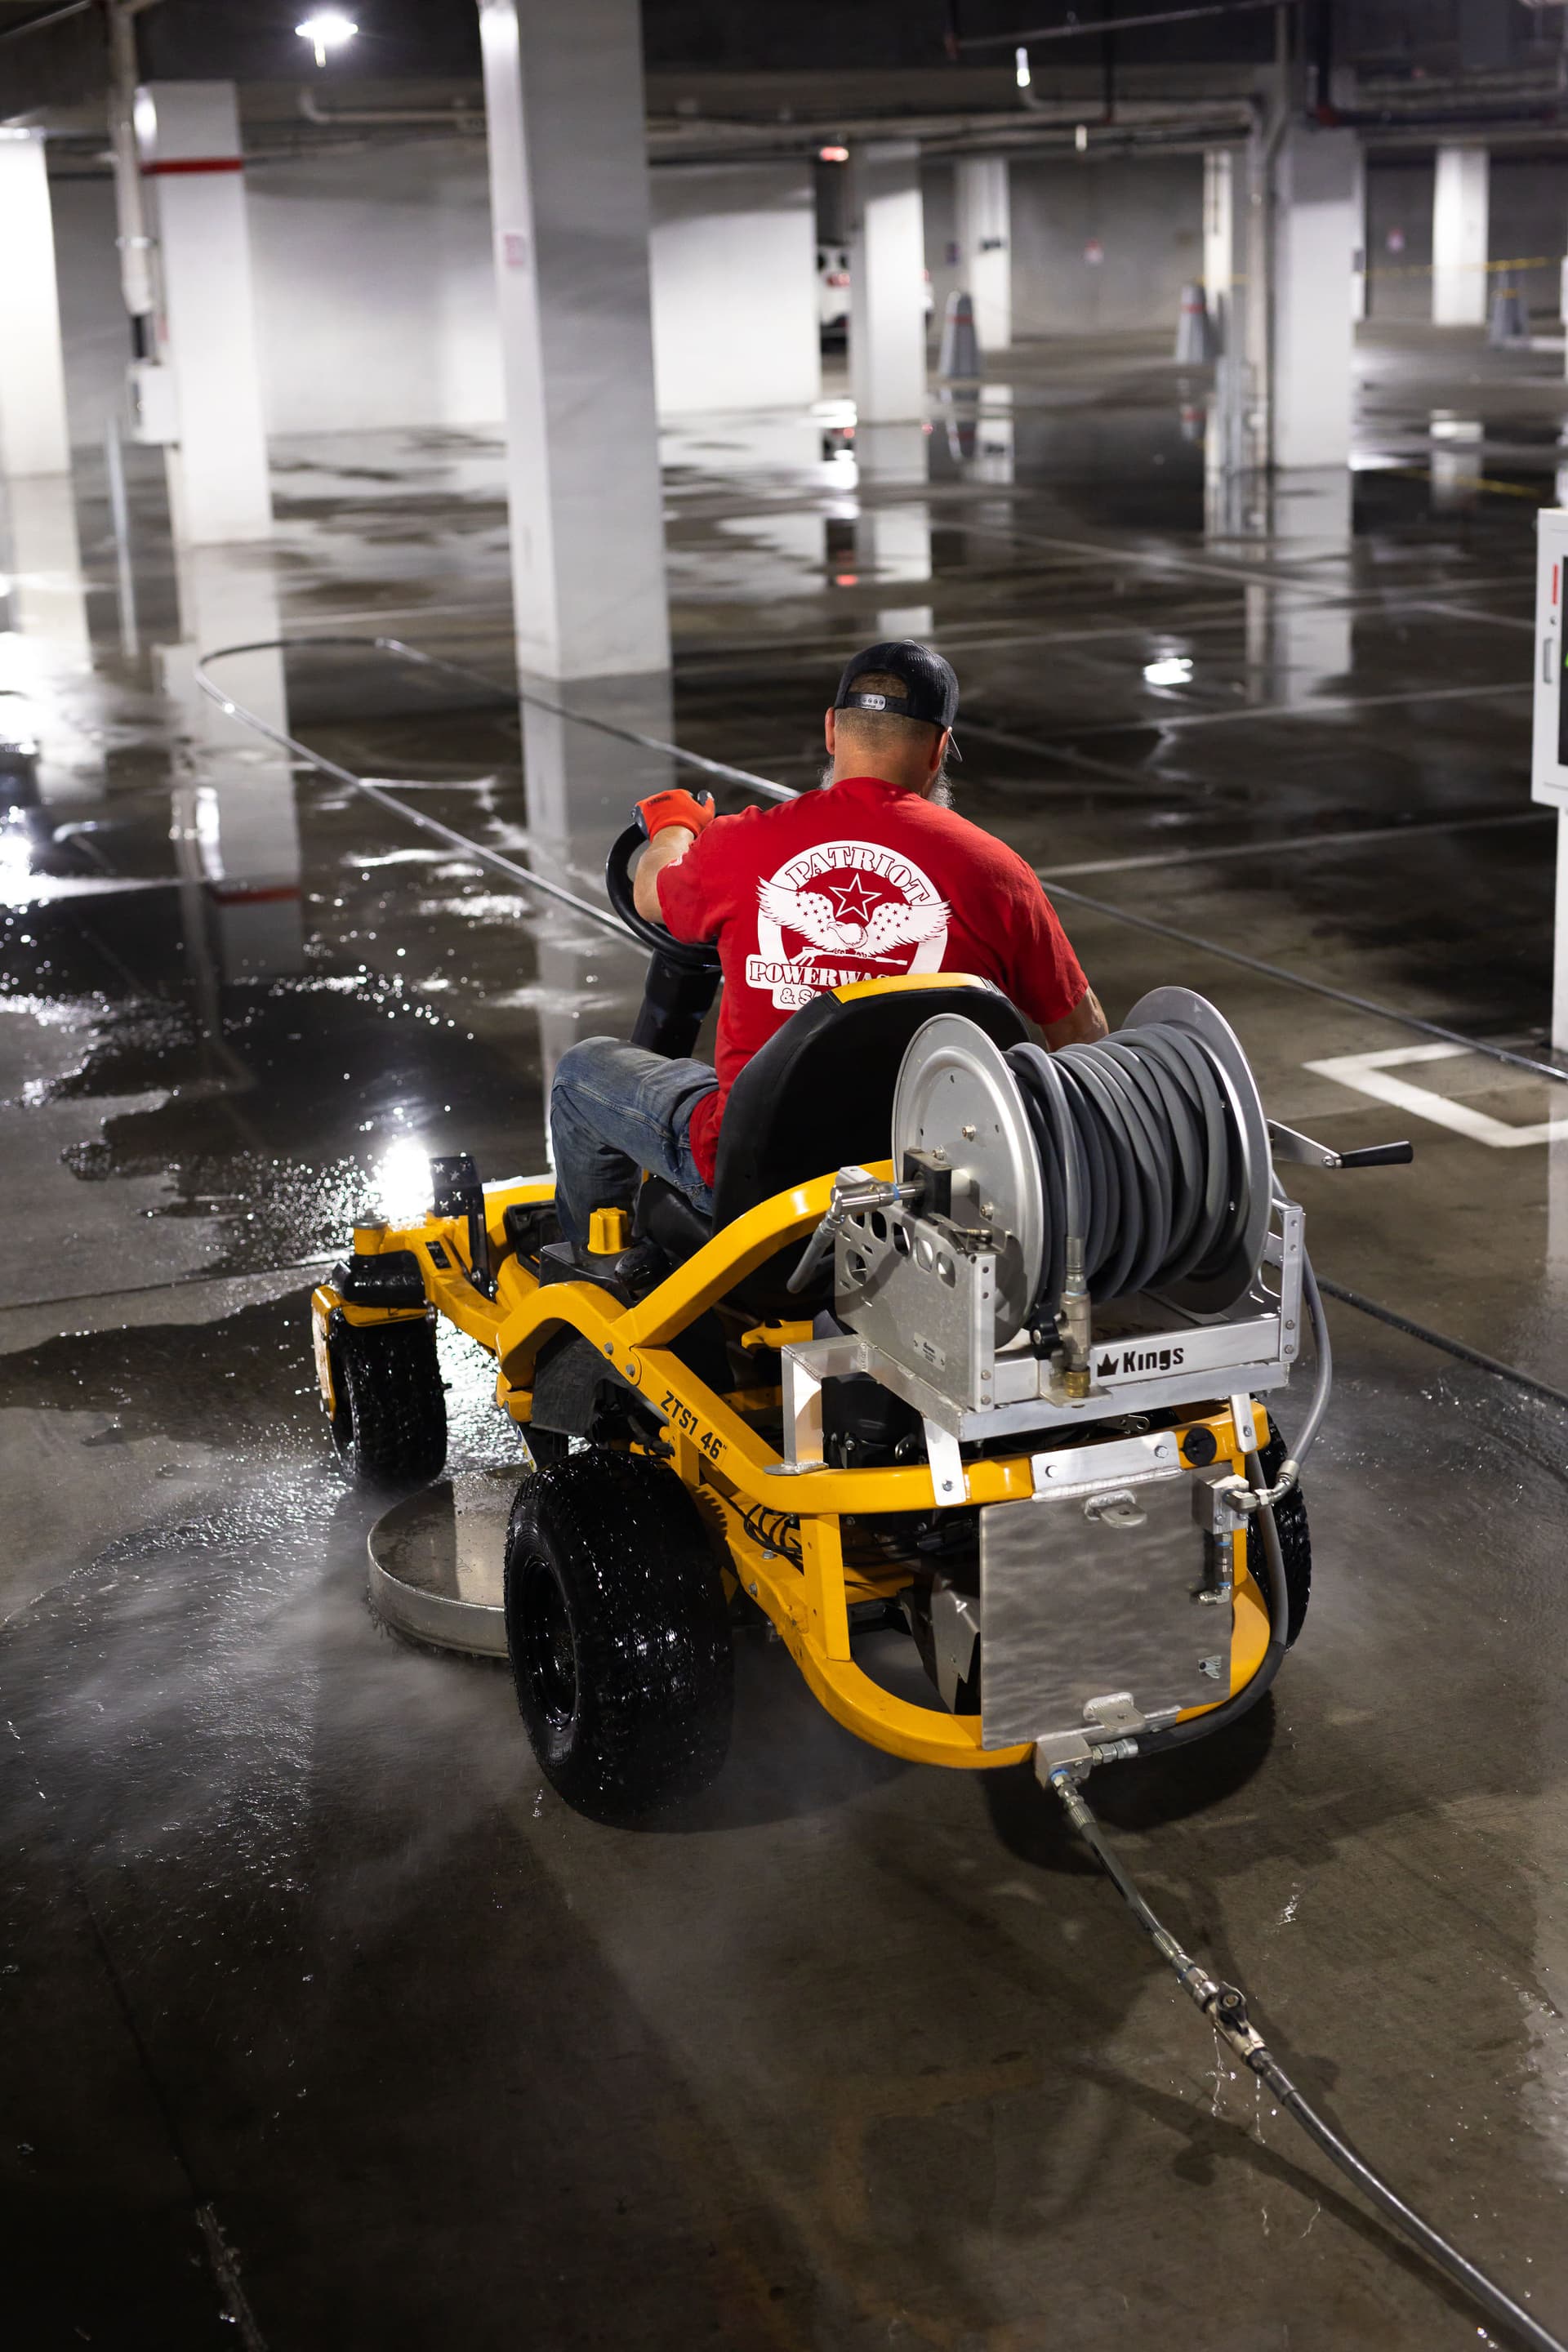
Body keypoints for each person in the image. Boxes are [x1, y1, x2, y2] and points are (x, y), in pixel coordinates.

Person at [550, 638, 1107, 1253]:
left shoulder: (739, 845)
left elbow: (651, 893)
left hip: (757, 1181)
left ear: (831, 732)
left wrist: (673, 826)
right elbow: (1084, 1040)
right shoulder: (998, 873)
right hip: (925, 1184)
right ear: (939, 748)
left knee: (582, 1074)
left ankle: (601, 1267)